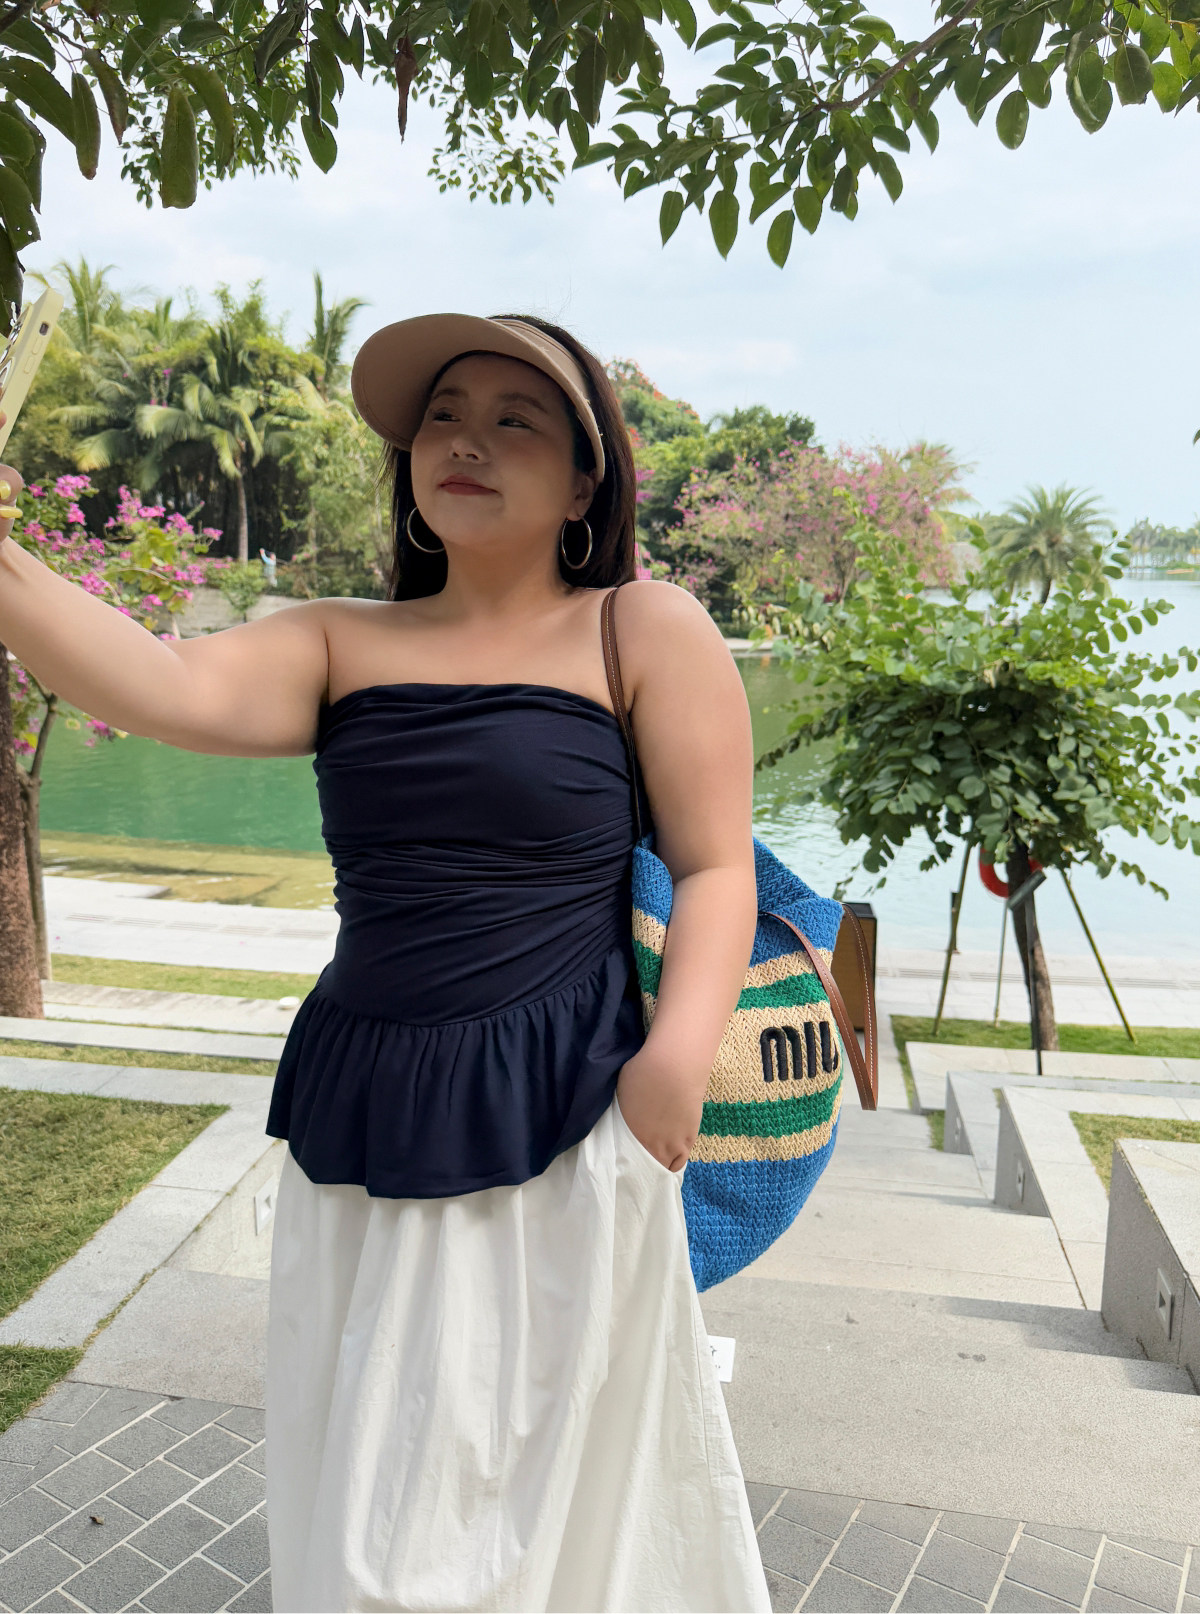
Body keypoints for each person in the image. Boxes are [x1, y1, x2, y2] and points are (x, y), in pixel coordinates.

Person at [0, 312, 770, 1613]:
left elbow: (714, 867)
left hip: (562, 1117)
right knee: (367, 1506)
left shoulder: (640, 628)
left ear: (585, 482)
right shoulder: (336, 639)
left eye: (514, 419)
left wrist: (675, 1063)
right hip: (364, 1118)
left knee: (552, 1508)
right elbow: (158, 683)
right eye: (443, 416)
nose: (466, 439)